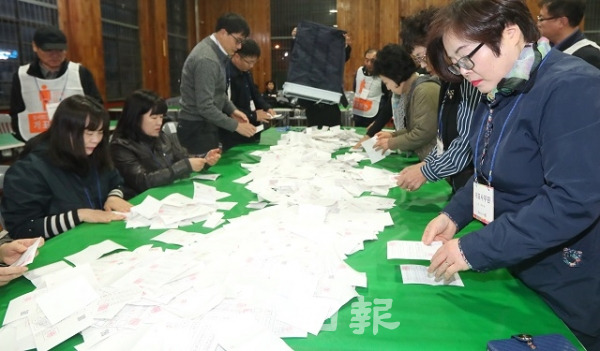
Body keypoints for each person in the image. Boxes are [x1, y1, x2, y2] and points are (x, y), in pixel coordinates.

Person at [421, 1, 600, 349]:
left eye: (466, 56)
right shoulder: (502, 86)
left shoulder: (572, 86)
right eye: (456, 63)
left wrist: (477, 249)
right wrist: (454, 214)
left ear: (511, 33)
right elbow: (492, 173)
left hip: (571, 285)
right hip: (524, 268)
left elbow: (572, 200)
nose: (464, 70)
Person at [0, 95, 132, 240]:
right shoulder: (30, 170)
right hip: (55, 248)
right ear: (65, 130)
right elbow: (23, 228)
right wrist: (80, 215)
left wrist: (114, 196)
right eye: (89, 133)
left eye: (100, 132)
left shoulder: (94, 153)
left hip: (98, 237)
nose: (95, 140)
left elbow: (116, 181)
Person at [395, 7, 482, 193]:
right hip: (459, 183)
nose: (424, 66)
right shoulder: (447, 81)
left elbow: (467, 141)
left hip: (476, 184)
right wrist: (426, 165)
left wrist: (427, 170)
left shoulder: (470, 78)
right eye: (418, 60)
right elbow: (444, 138)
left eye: (422, 57)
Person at [111, 90, 221, 197]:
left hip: (169, 195)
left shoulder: (160, 136)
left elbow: (182, 157)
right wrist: (186, 165)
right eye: (153, 118)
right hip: (142, 202)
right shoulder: (121, 146)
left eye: (161, 117)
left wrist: (204, 160)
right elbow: (143, 182)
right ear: (135, 118)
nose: (159, 122)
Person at [177, 13, 256, 155]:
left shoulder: (217, 54)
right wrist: (236, 126)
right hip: (196, 128)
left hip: (205, 125)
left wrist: (232, 110)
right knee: (204, 176)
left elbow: (219, 92)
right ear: (223, 33)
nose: (238, 47)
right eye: (237, 41)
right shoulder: (207, 59)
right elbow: (205, 107)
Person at [9, 26, 103, 142]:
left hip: (75, 141)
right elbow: (16, 111)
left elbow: (97, 107)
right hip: (36, 141)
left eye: (60, 50)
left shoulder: (80, 73)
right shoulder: (22, 75)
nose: (55, 55)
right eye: (48, 50)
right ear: (34, 46)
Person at [368, 44, 440, 161]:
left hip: (438, 165)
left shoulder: (425, 90)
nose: (388, 88)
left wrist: (391, 143)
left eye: (386, 83)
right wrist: (393, 135)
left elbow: (423, 133)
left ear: (396, 76)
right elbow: (416, 127)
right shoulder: (413, 90)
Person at [219, 39, 276, 151]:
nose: (251, 66)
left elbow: (255, 93)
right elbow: (225, 107)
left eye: (254, 62)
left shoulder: (246, 72)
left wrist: (266, 107)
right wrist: (253, 115)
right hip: (232, 130)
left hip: (249, 126)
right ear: (236, 56)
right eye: (249, 62)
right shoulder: (225, 74)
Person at [537, 0, 600, 69]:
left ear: (561, 22)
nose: (538, 24)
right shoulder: (544, 48)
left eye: (541, 18)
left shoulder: (589, 57)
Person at [352, 49, 390, 128]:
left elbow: (387, 97)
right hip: (358, 112)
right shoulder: (359, 71)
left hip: (374, 114)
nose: (369, 64)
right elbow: (355, 88)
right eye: (366, 60)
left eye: (372, 61)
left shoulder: (383, 76)